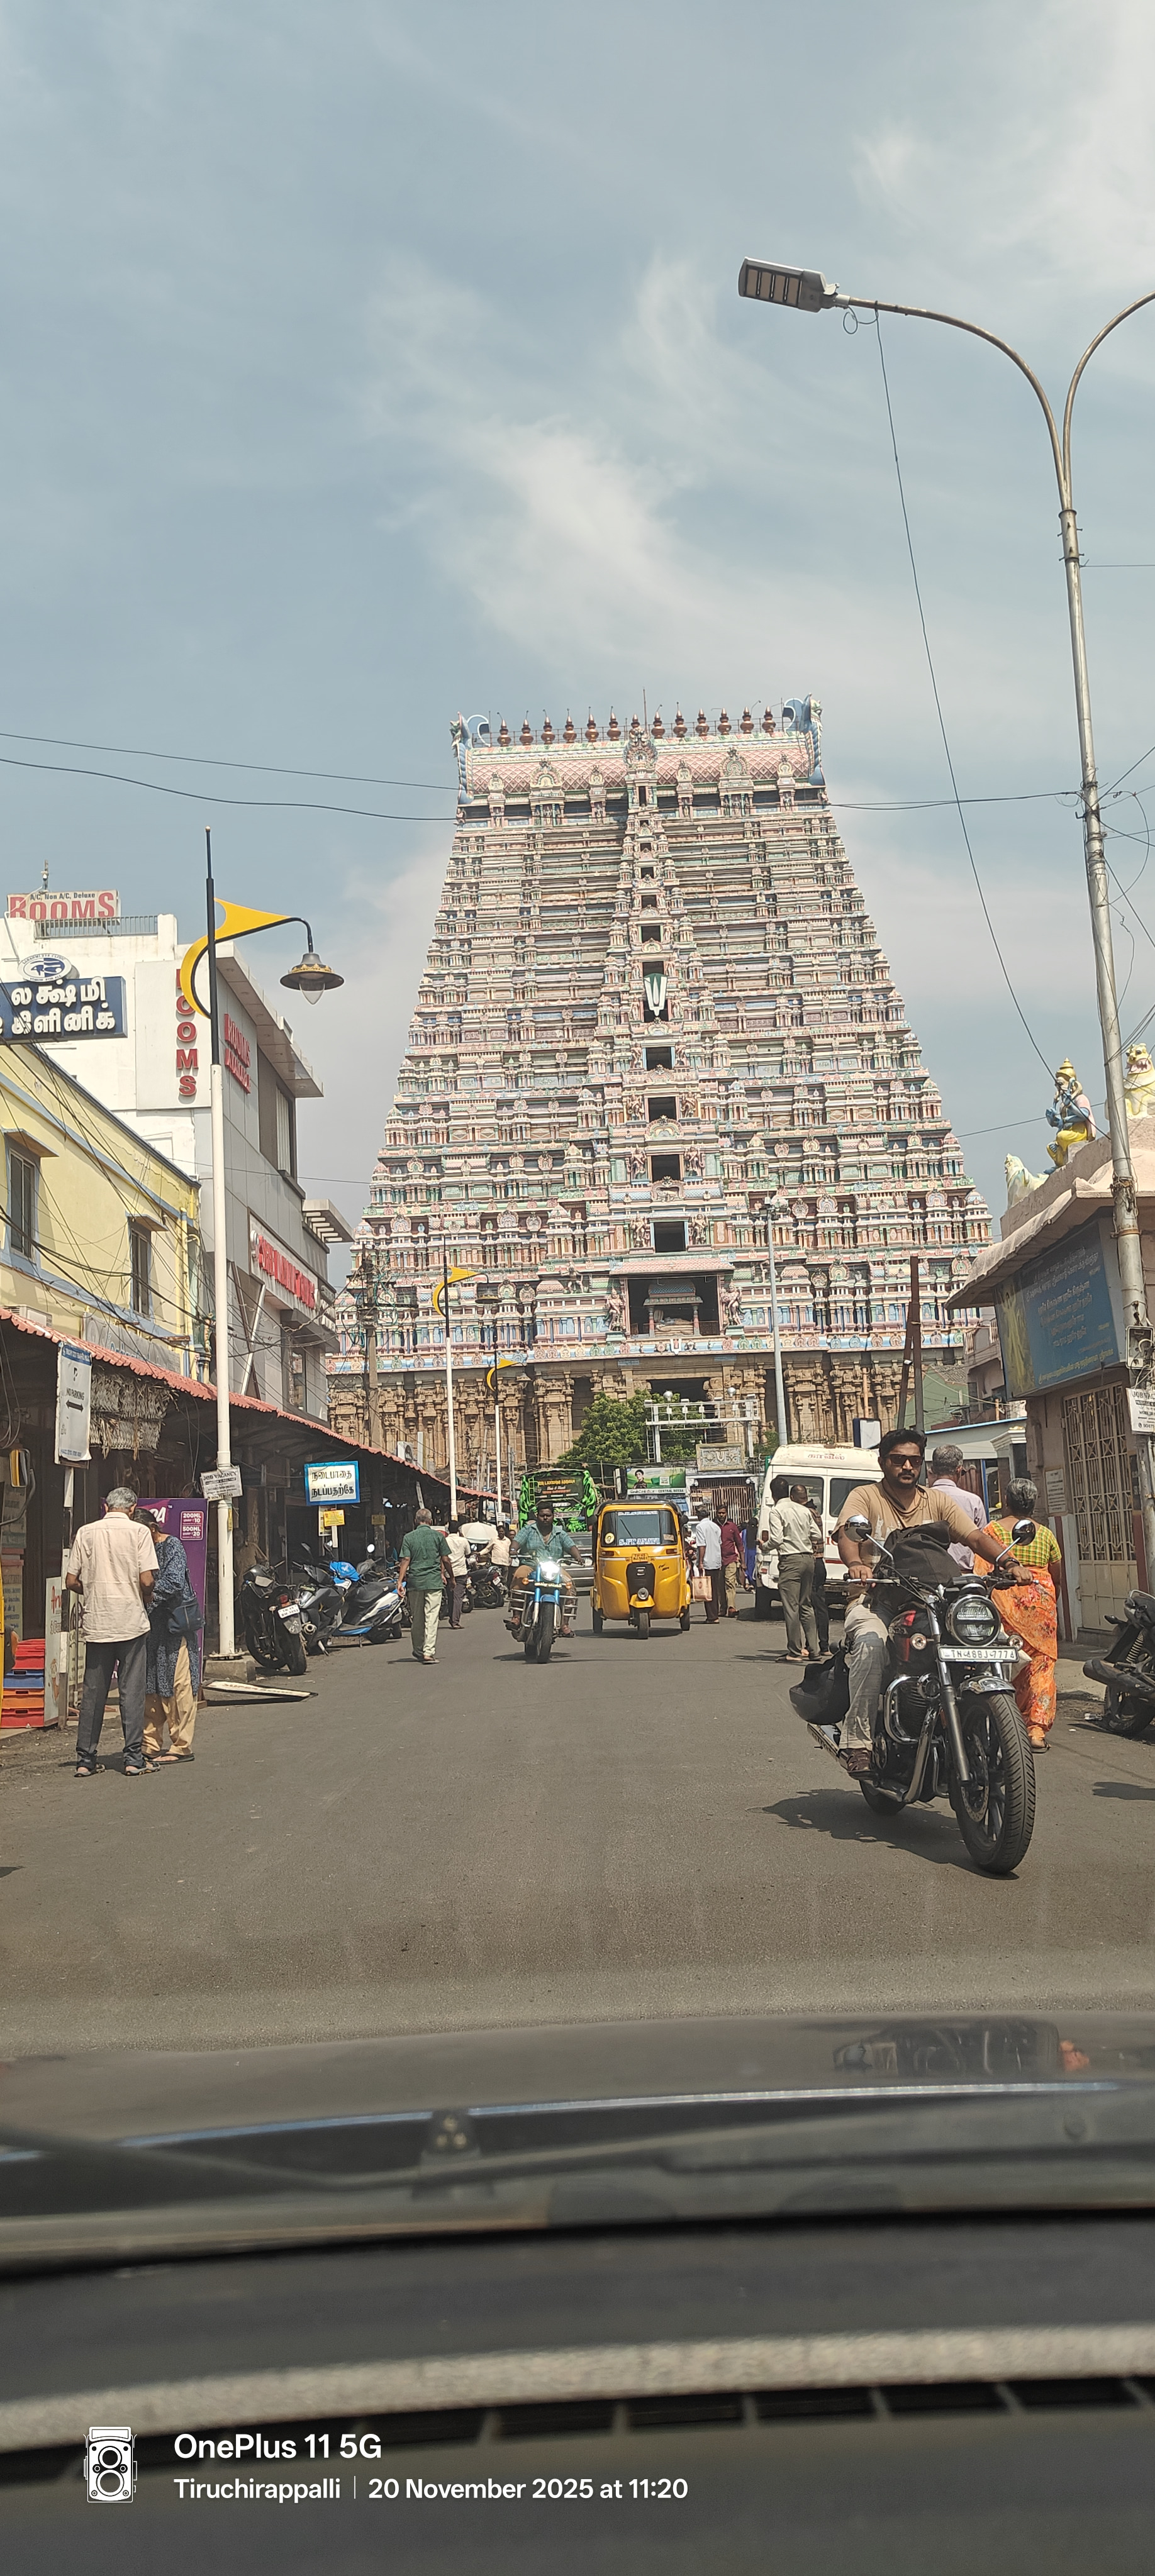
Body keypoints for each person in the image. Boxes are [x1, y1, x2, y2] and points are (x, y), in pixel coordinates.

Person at [835, 1428, 1029, 1777]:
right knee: (870, 1646)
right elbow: (849, 1534)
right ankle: (858, 1742)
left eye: (914, 1460)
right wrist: (855, 1564)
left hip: (935, 1599)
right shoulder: (866, 1497)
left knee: (1007, 1649)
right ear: (883, 1462)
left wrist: (1009, 1562)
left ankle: (971, 1718)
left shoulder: (936, 1501)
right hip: (877, 1598)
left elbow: (974, 1537)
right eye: (899, 1460)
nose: (907, 1466)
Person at [65, 1486, 158, 1779]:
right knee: (132, 1692)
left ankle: (85, 1760)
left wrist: (94, 1592)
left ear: (106, 1507)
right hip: (131, 1621)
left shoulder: (86, 1532)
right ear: (132, 1509)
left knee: (93, 1694)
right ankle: (133, 1759)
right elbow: (147, 1580)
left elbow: (71, 1581)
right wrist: (146, 1596)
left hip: (98, 1623)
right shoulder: (139, 1532)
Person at [983, 1476, 1063, 1750]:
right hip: (1042, 1608)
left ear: (1006, 1501)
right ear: (1034, 1504)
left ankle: (1007, 1724)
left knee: (1006, 1664)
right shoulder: (1045, 1534)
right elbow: (1056, 1577)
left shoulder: (992, 1531)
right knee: (1042, 1666)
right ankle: (1036, 1731)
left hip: (1004, 1607)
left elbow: (982, 1573)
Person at [137, 1506, 202, 1765]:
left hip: (174, 1626)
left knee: (179, 1684)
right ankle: (150, 1743)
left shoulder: (172, 1546)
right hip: (149, 1628)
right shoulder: (137, 1551)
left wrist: (148, 1596)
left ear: (153, 1529)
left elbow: (174, 1581)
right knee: (150, 1685)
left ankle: (182, 1745)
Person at [506, 1499, 582, 1636]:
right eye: (542, 1515)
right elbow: (517, 1541)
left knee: (569, 1586)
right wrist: (513, 1550)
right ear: (537, 1516)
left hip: (554, 1569)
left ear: (553, 1516)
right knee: (519, 1577)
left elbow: (571, 1546)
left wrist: (578, 1557)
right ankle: (516, 1617)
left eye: (548, 1515)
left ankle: (564, 1624)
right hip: (530, 1566)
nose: (545, 1518)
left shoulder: (560, 1533)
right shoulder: (528, 1530)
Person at [766, 1479, 820, 1662]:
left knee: (791, 1607)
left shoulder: (777, 1511)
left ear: (773, 1494)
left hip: (790, 1560)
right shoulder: (804, 1510)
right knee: (806, 1605)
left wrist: (764, 1546)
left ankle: (795, 1651)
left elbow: (776, 1539)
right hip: (808, 1559)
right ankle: (814, 1650)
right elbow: (817, 1535)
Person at [398, 1508, 451, 1663]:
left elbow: (405, 1560)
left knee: (417, 1618)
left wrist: (400, 1581)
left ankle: (418, 1650)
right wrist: (451, 1577)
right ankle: (428, 1652)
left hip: (415, 1582)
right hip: (433, 1582)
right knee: (432, 1617)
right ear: (431, 1521)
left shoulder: (409, 1537)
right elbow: (446, 1559)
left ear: (415, 1521)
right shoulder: (438, 1537)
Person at [927, 1442, 986, 1572]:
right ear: (959, 1470)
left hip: (930, 1574)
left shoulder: (920, 1499)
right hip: (965, 1575)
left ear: (933, 1470)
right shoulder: (973, 1501)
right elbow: (981, 1541)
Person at [691, 1506, 725, 1624]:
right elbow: (719, 1544)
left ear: (699, 1515)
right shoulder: (716, 1526)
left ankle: (712, 1616)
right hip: (716, 1561)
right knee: (715, 1589)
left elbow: (702, 1546)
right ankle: (715, 1614)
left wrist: (700, 1562)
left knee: (707, 1590)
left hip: (707, 1562)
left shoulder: (700, 1527)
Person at [442, 1519, 471, 1628]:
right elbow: (468, 1554)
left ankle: (452, 1618)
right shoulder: (463, 1541)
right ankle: (455, 1621)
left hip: (449, 1573)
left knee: (451, 1597)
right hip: (461, 1572)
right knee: (458, 1597)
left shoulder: (445, 1541)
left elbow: (443, 1558)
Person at [719, 1513, 746, 1619]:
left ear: (726, 1514)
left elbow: (739, 1545)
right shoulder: (714, 1526)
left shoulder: (732, 1527)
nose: (721, 1515)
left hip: (731, 1559)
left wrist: (743, 1562)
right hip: (718, 1561)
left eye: (723, 1513)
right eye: (719, 1513)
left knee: (730, 1582)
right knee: (720, 1585)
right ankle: (723, 1608)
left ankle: (731, 1607)